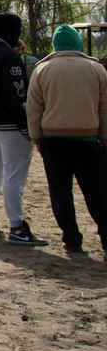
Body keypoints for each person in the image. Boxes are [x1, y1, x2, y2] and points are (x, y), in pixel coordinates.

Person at [27, 24, 107, 253]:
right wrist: (105, 136)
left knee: (60, 191)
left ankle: (71, 238)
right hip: (88, 139)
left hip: (54, 139)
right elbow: (104, 108)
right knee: (97, 191)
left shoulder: (42, 70)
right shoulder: (97, 69)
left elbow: (34, 108)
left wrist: (36, 137)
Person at [0, 13, 46, 245]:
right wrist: (25, 126)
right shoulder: (10, 58)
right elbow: (17, 96)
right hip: (10, 125)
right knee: (14, 175)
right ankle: (17, 227)